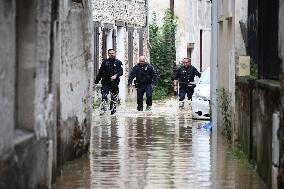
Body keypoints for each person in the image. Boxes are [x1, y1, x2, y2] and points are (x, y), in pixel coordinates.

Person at [94, 49, 123, 115]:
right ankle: (103, 111)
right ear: (108, 54)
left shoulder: (118, 62)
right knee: (104, 95)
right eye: (110, 53)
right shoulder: (105, 62)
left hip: (114, 83)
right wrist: (95, 82)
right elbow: (100, 73)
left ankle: (113, 113)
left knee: (113, 97)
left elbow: (121, 72)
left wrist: (116, 75)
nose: (111, 54)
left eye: (113, 53)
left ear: (115, 53)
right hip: (105, 82)